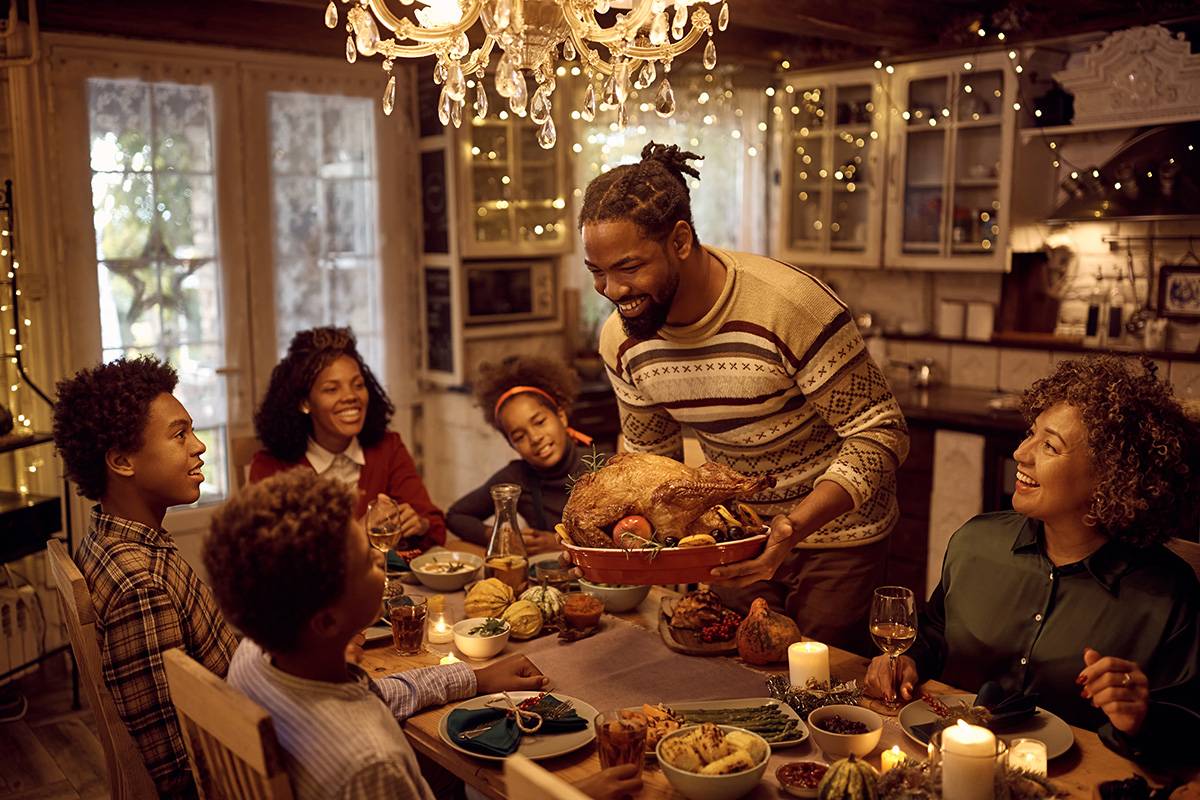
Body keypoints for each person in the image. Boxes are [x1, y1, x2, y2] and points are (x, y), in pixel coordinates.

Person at [575, 142, 909, 655]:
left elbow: (881, 432)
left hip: (838, 538)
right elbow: (650, 466)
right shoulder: (622, 341)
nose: (612, 290)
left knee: (821, 684)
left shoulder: (790, 307)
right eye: (597, 271)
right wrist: (621, 544)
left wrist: (793, 528)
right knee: (735, 682)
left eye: (629, 267)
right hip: (734, 533)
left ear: (680, 240)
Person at [205, 468, 642, 800]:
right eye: (367, 562)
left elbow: (373, 695)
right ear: (327, 622)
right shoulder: (370, 764)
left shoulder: (255, 656)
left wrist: (475, 678)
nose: (383, 562)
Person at [865, 355, 1200, 764]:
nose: (1021, 453)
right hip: (945, 766)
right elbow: (937, 631)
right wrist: (907, 661)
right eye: (1030, 433)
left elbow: (1188, 724)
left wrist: (1140, 719)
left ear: (1111, 479)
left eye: (1049, 446)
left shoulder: (1168, 594)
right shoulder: (975, 542)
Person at [51, 356, 238, 800]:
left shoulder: (112, 537)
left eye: (192, 431)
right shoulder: (141, 588)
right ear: (121, 461)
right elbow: (178, 771)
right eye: (179, 435)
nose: (199, 447)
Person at [250, 326, 446, 551]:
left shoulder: (388, 448)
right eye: (332, 389)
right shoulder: (271, 468)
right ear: (304, 403)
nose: (351, 397)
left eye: (358, 385)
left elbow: (436, 527)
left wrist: (419, 525)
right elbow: (266, 556)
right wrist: (355, 537)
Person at [447, 355, 604, 555]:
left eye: (539, 422)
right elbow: (456, 515)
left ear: (561, 416)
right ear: (512, 445)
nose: (535, 438)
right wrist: (501, 536)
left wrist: (562, 544)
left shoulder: (604, 468)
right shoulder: (516, 478)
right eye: (520, 436)